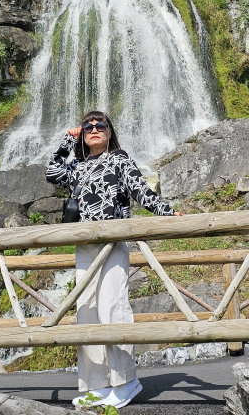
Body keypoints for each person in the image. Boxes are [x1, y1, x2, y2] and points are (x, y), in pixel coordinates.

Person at [46, 110, 182, 409]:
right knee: (87, 313)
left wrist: (167, 212)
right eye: (88, 126)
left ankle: (126, 381)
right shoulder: (77, 167)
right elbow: (52, 172)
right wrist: (67, 141)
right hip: (84, 244)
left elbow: (140, 191)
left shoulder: (119, 158)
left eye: (100, 125)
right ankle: (96, 385)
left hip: (111, 241)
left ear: (109, 132)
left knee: (112, 308)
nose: (94, 129)